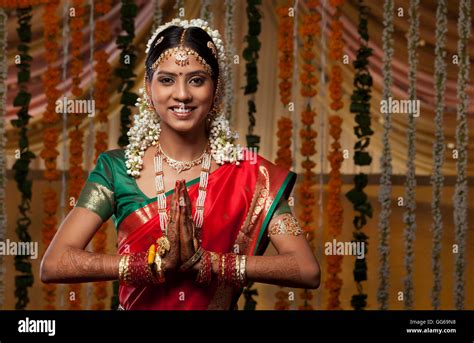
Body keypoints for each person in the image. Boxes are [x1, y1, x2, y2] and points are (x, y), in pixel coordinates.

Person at [40, 18, 320, 310]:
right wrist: (144, 265)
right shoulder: (117, 168)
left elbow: (306, 269)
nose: (183, 94)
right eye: (167, 79)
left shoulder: (251, 173)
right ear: (148, 87)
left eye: (197, 80)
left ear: (216, 89)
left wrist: (213, 262)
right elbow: (55, 263)